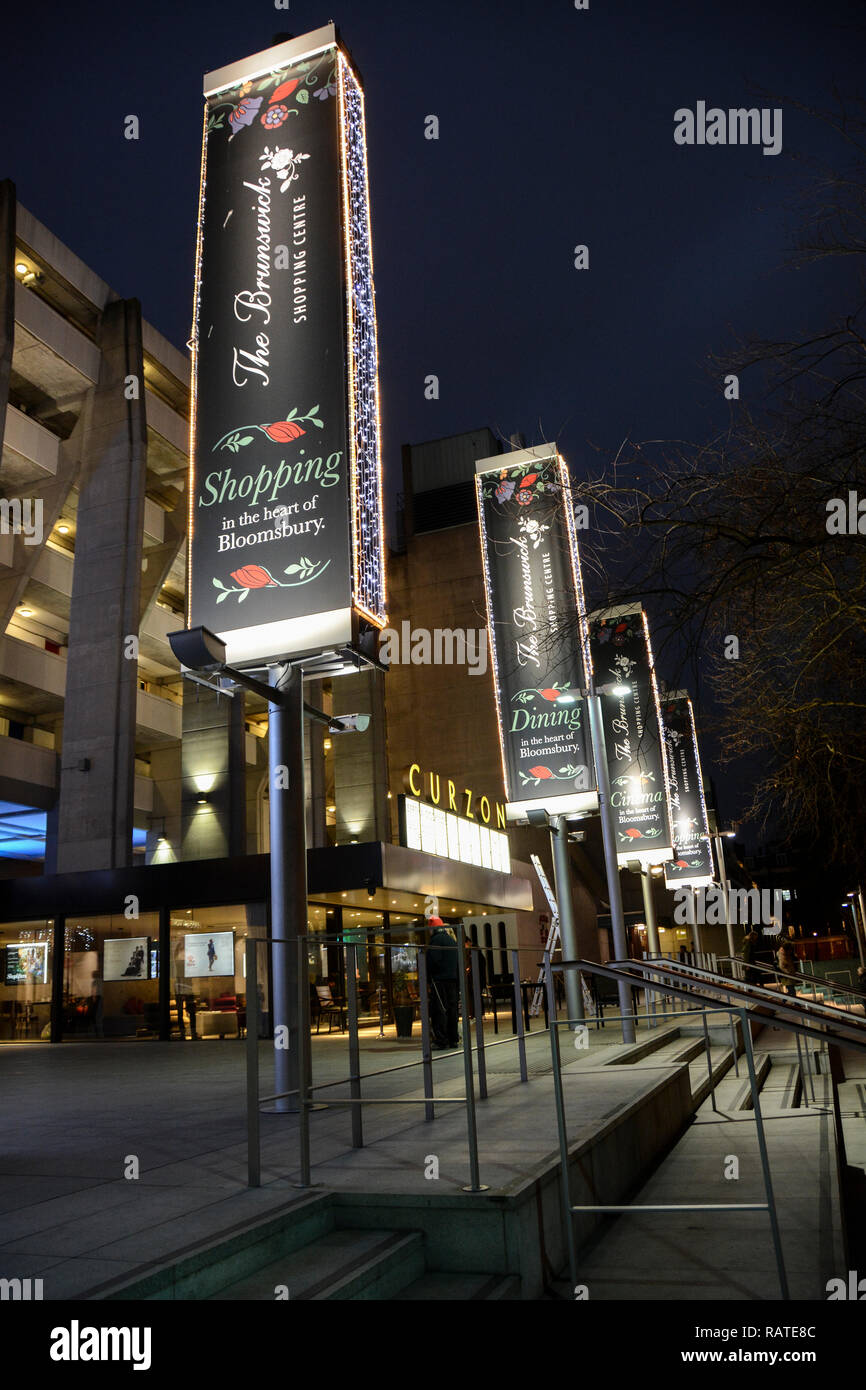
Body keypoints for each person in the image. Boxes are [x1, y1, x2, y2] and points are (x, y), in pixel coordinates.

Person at [426, 917, 460, 1050]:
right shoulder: (451, 940)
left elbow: (432, 962)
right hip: (452, 980)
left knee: (439, 1010)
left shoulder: (435, 941)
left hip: (439, 980)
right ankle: (453, 1039)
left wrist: (429, 978)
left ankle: (441, 1039)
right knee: (452, 1010)